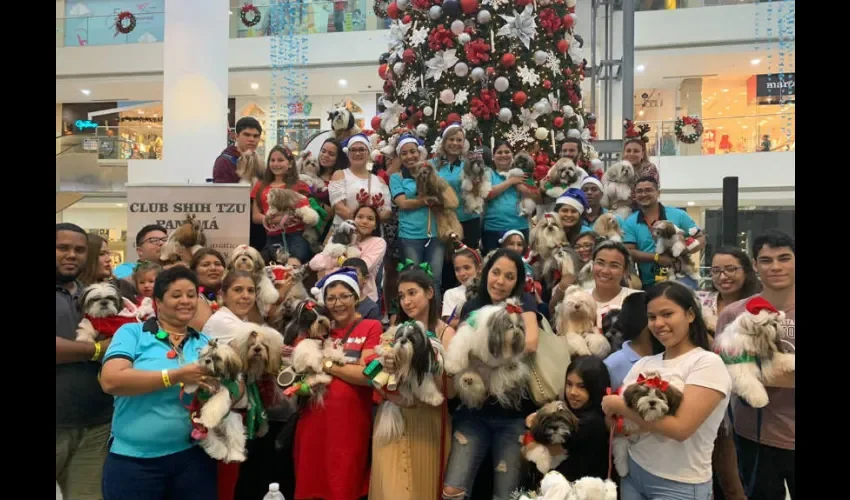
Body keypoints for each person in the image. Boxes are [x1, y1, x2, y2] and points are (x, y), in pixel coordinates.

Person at [602, 281, 731, 500]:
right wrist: (619, 416)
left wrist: (620, 406)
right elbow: (614, 423)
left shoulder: (706, 363)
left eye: (667, 314)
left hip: (679, 484)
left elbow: (681, 429)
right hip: (634, 472)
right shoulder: (644, 364)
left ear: (690, 315)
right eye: (652, 317)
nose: (659, 323)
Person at [99, 266, 217, 500]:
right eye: (176, 295)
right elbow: (111, 380)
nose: (185, 301)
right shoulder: (133, 333)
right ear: (158, 302)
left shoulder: (205, 342)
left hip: (192, 458)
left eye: (191, 295)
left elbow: (227, 389)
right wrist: (174, 376)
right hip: (134, 462)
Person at [442, 249, 540, 500]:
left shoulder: (522, 304)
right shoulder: (472, 306)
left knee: (507, 494)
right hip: (474, 413)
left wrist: (488, 354)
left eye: (509, 276)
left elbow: (529, 343)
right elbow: (464, 352)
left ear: (517, 281)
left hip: (513, 415)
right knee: (452, 489)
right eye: (496, 272)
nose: (500, 281)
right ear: (486, 273)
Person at [715, 230, 795, 500]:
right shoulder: (734, 314)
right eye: (766, 260)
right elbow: (723, 371)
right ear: (755, 265)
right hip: (755, 435)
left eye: (784, 258)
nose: (775, 267)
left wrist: (753, 374)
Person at [293, 269, 383, 500]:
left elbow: (369, 373)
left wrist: (326, 364)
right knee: (310, 486)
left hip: (349, 427)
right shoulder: (319, 327)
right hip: (312, 422)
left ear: (356, 297)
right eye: (331, 298)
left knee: (343, 486)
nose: (338, 303)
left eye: (344, 296)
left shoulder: (372, 327)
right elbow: (299, 364)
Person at [370, 268, 455, 500]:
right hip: (393, 418)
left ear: (429, 293)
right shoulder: (394, 332)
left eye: (412, 293)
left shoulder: (446, 334)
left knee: (424, 485)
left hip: (429, 421)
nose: (406, 301)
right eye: (401, 296)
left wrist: (434, 365)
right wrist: (390, 393)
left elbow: (453, 390)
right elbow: (375, 377)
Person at [56, 223, 113, 500]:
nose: (71, 255)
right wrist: (95, 349)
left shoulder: (92, 293)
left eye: (79, 250)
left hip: (95, 426)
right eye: (62, 248)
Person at [526, 356, 611, 483]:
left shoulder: (591, 423)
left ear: (595, 387)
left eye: (581, 386)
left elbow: (552, 448)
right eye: (569, 384)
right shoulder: (574, 413)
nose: (572, 392)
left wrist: (533, 424)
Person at [622, 177, 705, 290]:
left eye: (648, 190)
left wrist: (685, 249)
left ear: (658, 193)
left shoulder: (679, 215)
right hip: (650, 282)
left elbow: (701, 238)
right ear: (635, 195)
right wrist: (656, 258)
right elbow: (629, 251)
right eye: (639, 191)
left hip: (684, 278)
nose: (644, 194)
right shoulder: (630, 222)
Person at [391, 134, 449, 292]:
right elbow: (402, 203)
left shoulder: (432, 171)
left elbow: (444, 197)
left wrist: (430, 199)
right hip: (410, 236)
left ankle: (433, 315)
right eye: (404, 153)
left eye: (413, 151)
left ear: (420, 152)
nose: (410, 156)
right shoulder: (397, 177)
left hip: (435, 234)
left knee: (435, 280)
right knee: (412, 281)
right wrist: (426, 200)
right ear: (399, 157)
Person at [251, 145, 317, 263]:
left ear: (290, 163)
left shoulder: (300, 185)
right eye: (272, 160)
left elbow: (306, 212)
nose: (276, 164)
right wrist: (271, 219)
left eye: (280, 160)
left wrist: (287, 218)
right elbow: (255, 216)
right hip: (271, 237)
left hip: (297, 236)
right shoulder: (260, 186)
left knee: (293, 263)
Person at [310, 204, 387, 302]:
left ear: (375, 225)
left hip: (362, 297)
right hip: (331, 294)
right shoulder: (339, 237)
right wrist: (341, 260)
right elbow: (315, 263)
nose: (364, 221)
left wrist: (334, 260)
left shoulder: (378, 242)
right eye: (360, 217)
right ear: (353, 220)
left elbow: (361, 268)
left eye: (370, 219)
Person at [481, 141, 541, 256]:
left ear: (512, 155)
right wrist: (510, 181)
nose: (503, 155)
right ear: (493, 157)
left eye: (507, 152)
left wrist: (522, 188)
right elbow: (487, 194)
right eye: (499, 152)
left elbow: (537, 198)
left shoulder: (523, 175)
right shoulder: (488, 174)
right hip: (494, 228)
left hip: (520, 227)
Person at [432, 123, 481, 249]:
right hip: (443, 221)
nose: (455, 143)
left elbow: (478, 194)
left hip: (468, 220)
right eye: (451, 139)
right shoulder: (432, 165)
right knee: (446, 264)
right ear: (444, 142)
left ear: (464, 143)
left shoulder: (470, 164)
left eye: (459, 140)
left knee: (467, 260)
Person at [602, 291, 664, 391]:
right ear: (641, 323)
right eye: (653, 317)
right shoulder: (612, 365)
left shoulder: (670, 356)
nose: (662, 324)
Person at [328, 134, 392, 229]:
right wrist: (364, 225)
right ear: (348, 153)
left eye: (361, 149)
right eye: (353, 150)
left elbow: (387, 211)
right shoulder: (340, 175)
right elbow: (339, 208)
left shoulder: (379, 180)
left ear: (368, 152)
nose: (357, 153)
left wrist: (368, 226)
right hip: (345, 234)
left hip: (372, 238)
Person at [441, 239, 482, 329]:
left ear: (479, 268)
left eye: (467, 268)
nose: (462, 273)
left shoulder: (487, 290)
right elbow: (449, 322)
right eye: (457, 269)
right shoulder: (451, 294)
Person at [214, 117, 262, 183]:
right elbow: (222, 192)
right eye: (247, 135)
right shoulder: (224, 162)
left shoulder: (258, 161)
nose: (252, 139)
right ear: (237, 136)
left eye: (255, 136)